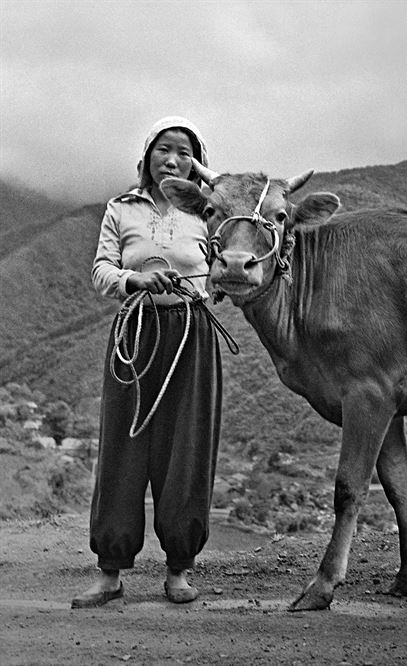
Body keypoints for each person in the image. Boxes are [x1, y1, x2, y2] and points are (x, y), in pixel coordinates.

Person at [71, 117, 222, 607]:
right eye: (163, 149)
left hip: (190, 336)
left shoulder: (209, 213)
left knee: (186, 449)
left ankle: (179, 568)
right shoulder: (121, 208)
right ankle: (110, 572)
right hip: (135, 332)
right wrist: (133, 281)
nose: (172, 159)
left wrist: (210, 185)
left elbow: (233, 258)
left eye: (184, 152)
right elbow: (101, 271)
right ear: (147, 155)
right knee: (123, 445)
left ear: (197, 162)